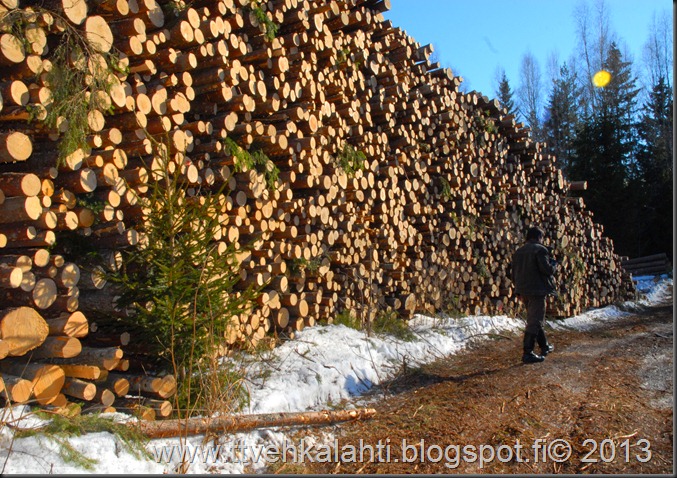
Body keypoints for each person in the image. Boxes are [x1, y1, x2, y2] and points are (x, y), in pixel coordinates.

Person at [511, 226, 557, 364]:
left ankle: (544, 346)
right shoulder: (540, 250)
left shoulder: (518, 251)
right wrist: (554, 264)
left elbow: (513, 273)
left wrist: (518, 289)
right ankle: (527, 352)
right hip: (537, 290)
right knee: (535, 320)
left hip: (523, 290)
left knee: (535, 318)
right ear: (538, 237)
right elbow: (547, 270)